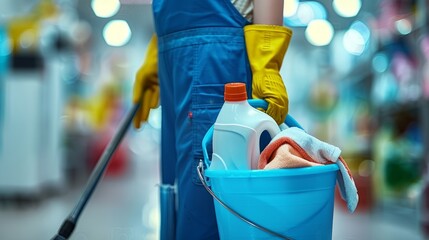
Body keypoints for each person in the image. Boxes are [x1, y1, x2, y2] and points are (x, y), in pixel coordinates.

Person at [132, 0, 292, 239]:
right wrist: (160, 47)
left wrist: (267, 60)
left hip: (217, 55)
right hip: (174, 55)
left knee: (209, 207)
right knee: (176, 196)